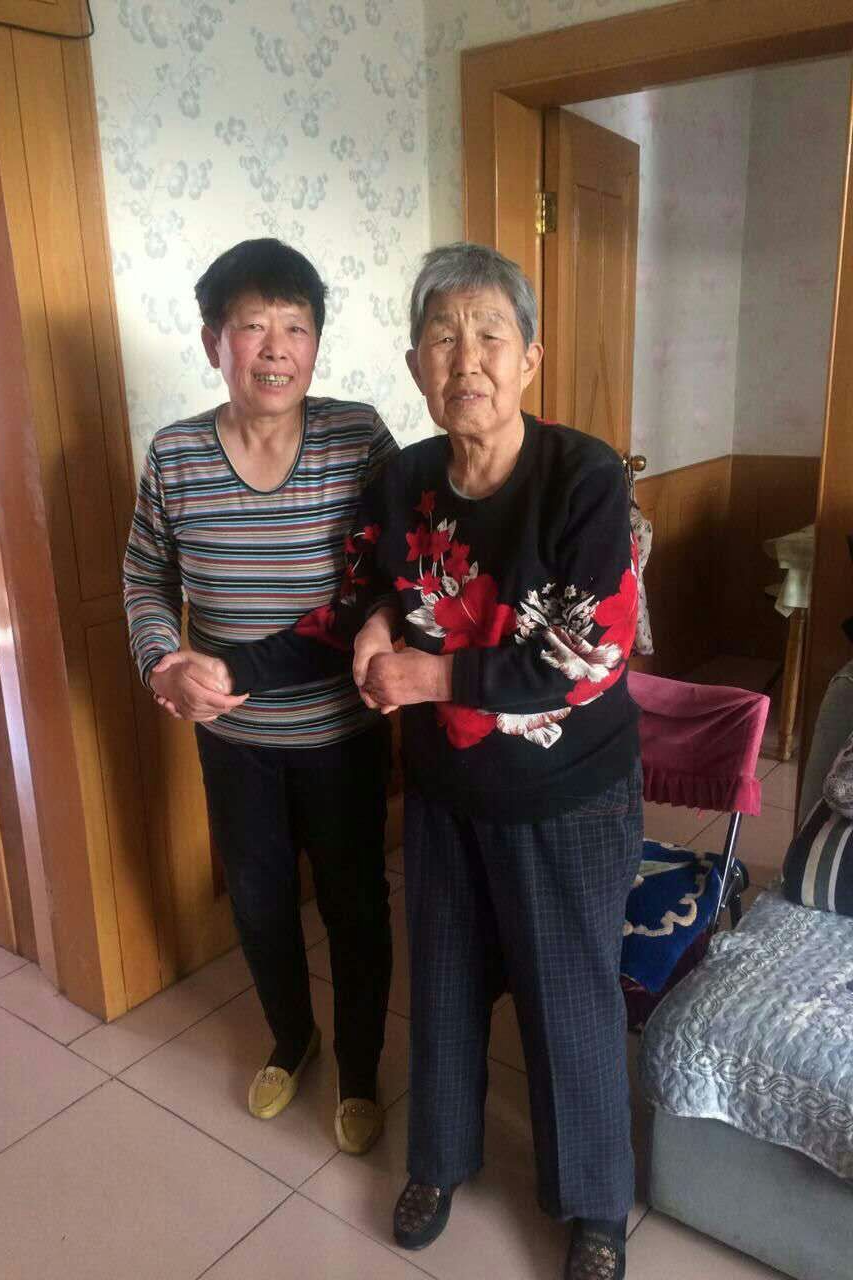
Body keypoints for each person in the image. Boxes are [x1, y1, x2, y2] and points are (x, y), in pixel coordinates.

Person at [212, 242, 642, 1280]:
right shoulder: (404, 478)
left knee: (568, 998)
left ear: (530, 358)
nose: (468, 358)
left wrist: (431, 674)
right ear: (415, 365)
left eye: (491, 335)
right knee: (442, 984)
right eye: (443, 338)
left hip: (567, 793)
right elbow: (358, 601)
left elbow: (589, 654)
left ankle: (594, 1204)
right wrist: (235, 668)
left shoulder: (583, 477)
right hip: (448, 792)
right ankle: (439, 1161)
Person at [122, 238, 397, 1156]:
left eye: (296, 327)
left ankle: (359, 1066)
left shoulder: (358, 438)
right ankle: (293, 1037)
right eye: (252, 327)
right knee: (259, 901)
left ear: (316, 343)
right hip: (233, 745)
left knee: (356, 904)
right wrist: (164, 663)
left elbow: (396, 571)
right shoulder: (176, 455)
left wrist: (378, 624)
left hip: (341, 735)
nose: (275, 348)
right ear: (215, 342)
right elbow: (145, 578)